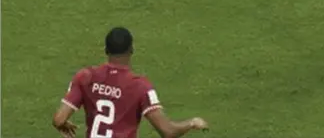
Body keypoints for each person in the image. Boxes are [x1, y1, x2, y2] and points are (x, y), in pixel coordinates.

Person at [52, 27, 208, 138]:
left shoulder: (85, 77)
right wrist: (191, 123)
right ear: (131, 50)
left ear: (106, 50)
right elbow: (168, 132)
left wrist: (62, 125)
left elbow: (59, 119)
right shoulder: (140, 86)